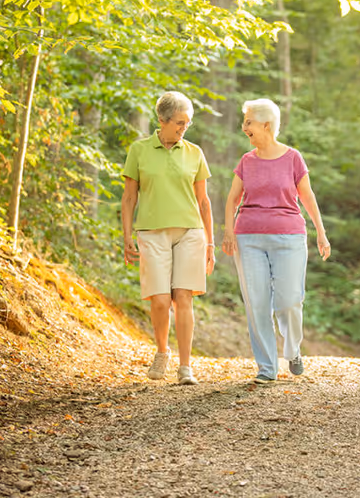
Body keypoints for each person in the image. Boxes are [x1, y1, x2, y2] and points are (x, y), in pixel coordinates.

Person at [222, 98, 330, 384]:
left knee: (289, 301)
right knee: (256, 303)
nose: (243, 127)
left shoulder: (293, 157)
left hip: (289, 237)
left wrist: (321, 231)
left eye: (248, 122)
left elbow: (307, 196)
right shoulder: (246, 161)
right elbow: (233, 198)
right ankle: (267, 367)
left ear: (265, 125)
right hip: (249, 238)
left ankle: (292, 349)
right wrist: (228, 232)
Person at [121, 91, 214, 384]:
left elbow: (204, 202)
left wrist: (210, 243)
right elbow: (129, 197)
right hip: (151, 232)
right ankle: (162, 351)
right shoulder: (139, 150)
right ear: (161, 120)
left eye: (187, 123)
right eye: (178, 122)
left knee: (183, 297)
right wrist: (127, 236)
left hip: (190, 232)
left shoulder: (194, 152)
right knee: (161, 300)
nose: (183, 127)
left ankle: (186, 366)